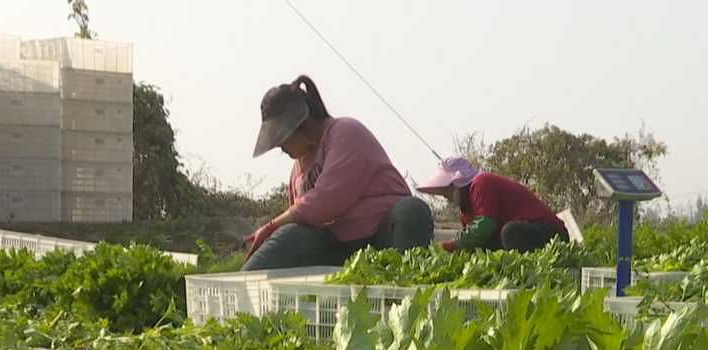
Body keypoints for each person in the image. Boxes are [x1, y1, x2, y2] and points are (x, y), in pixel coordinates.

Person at [242, 75, 434, 270]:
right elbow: (303, 218)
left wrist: (271, 226)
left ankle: (405, 286)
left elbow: (325, 202)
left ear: (303, 124)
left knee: (412, 210)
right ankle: (242, 289)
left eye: (282, 138)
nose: (280, 147)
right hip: (338, 247)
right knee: (289, 236)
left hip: (381, 236)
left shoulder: (344, 132)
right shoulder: (297, 170)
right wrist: (277, 231)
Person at [416, 157, 569, 253]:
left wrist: (451, 245)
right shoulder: (466, 212)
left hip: (550, 233)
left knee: (510, 231)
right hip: (522, 238)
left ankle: (530, 274)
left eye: (446, 190)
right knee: (478, 246)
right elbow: (472, 239)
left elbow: (486, 225)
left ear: (457, 183)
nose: (445, 196)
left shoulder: (482, 183)